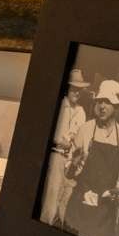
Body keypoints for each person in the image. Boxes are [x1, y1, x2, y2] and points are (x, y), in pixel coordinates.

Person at [60, 80, 119, 236]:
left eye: (107, 102)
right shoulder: (86, 130)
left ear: (116, 106)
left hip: (105, 213)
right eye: (100, 101)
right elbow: (69, 171)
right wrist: (73, 165)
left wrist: (118, 191)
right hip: (80, 208)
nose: (102, 106)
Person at [36, 68, 94, 226]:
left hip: (71, 162)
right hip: (56, 156)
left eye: (80, 89)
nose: (77, 93)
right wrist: (66, 143)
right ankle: (43, 225)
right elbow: (53, 136)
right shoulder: (60, 106)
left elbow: (80, 138)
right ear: (67, 88)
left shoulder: (81, 112)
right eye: (74, 88)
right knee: (51, 198)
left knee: (64, 200)